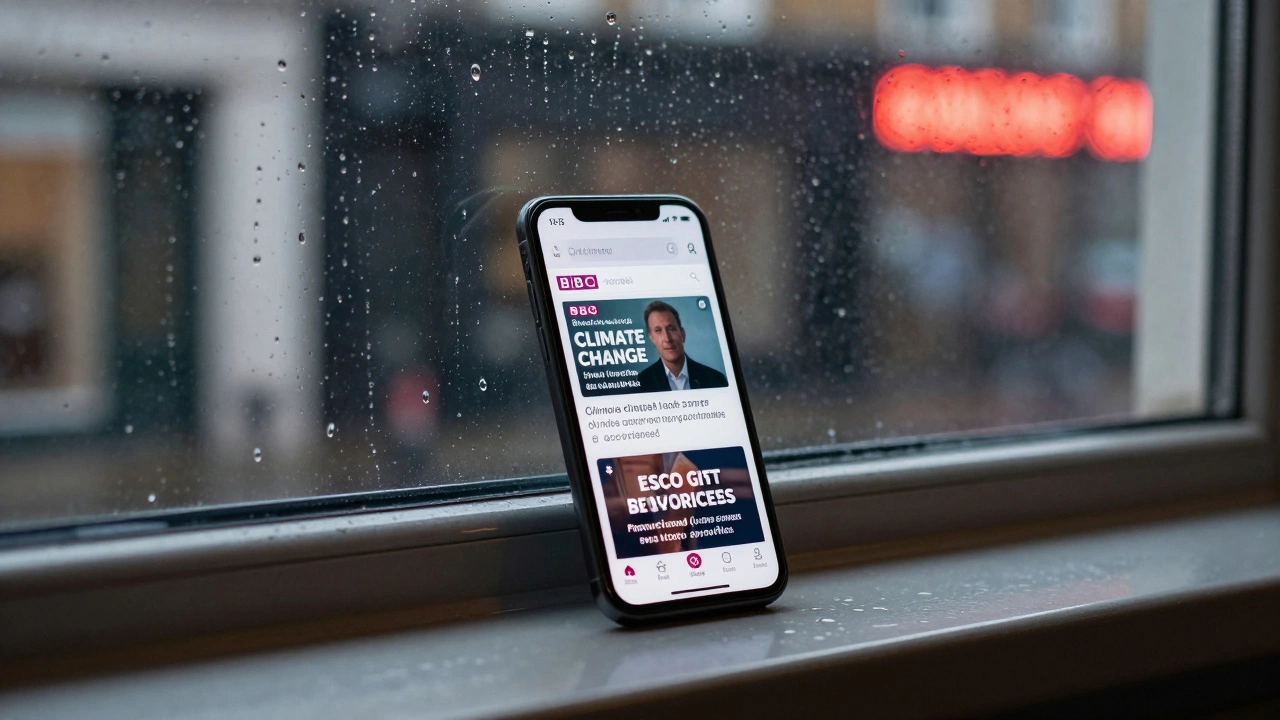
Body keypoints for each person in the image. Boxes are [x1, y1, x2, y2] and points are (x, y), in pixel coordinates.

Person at [636, 300, 728, 392]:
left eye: (671, 329)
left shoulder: (715, 379)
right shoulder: (642, 382)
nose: (667, 339)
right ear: (652, 338)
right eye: (658, 331)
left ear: (682, 334)